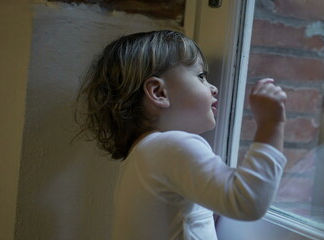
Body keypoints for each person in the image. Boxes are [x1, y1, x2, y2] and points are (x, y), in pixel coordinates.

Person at [75, 30, 287, 240]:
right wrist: (271, 124)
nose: (213, 88)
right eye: (201, 77)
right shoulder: (172, 145)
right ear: (159, 93)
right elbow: (248, 201)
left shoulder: (142, 156)